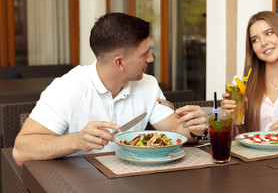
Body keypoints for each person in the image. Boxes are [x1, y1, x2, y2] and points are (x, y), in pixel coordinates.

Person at [13, 12, 207, 166]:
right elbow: (21, 151)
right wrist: (76, 141)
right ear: (119, 62)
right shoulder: (67, 88)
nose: (151, 59)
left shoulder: (147, 84)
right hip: (75, 183)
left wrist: (195, 129)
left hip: (134, 180)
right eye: (144, 53)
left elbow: (174, 130)